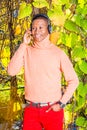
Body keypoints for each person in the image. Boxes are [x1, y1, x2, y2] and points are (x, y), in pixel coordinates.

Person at [7, 14, 79, 130]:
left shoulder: (58, 53)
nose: (37, 31)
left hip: (53, 109)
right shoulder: (26, 51)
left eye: (41, 27)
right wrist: (24, 44)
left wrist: (62, 103)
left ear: (49, 29)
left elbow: (74, 80)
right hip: (31, 109)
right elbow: (11, 71)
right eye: (34, 28)